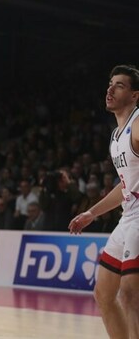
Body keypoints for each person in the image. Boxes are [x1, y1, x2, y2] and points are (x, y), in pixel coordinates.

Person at [70, 64, 139, 339]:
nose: (110, 89)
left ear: (134, 95)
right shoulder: (116, 136)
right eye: (110, 84)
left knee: (130, 294)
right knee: (104, 294)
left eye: (119, 85)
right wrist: (92, 213)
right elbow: (125, 186)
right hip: (128, 217)